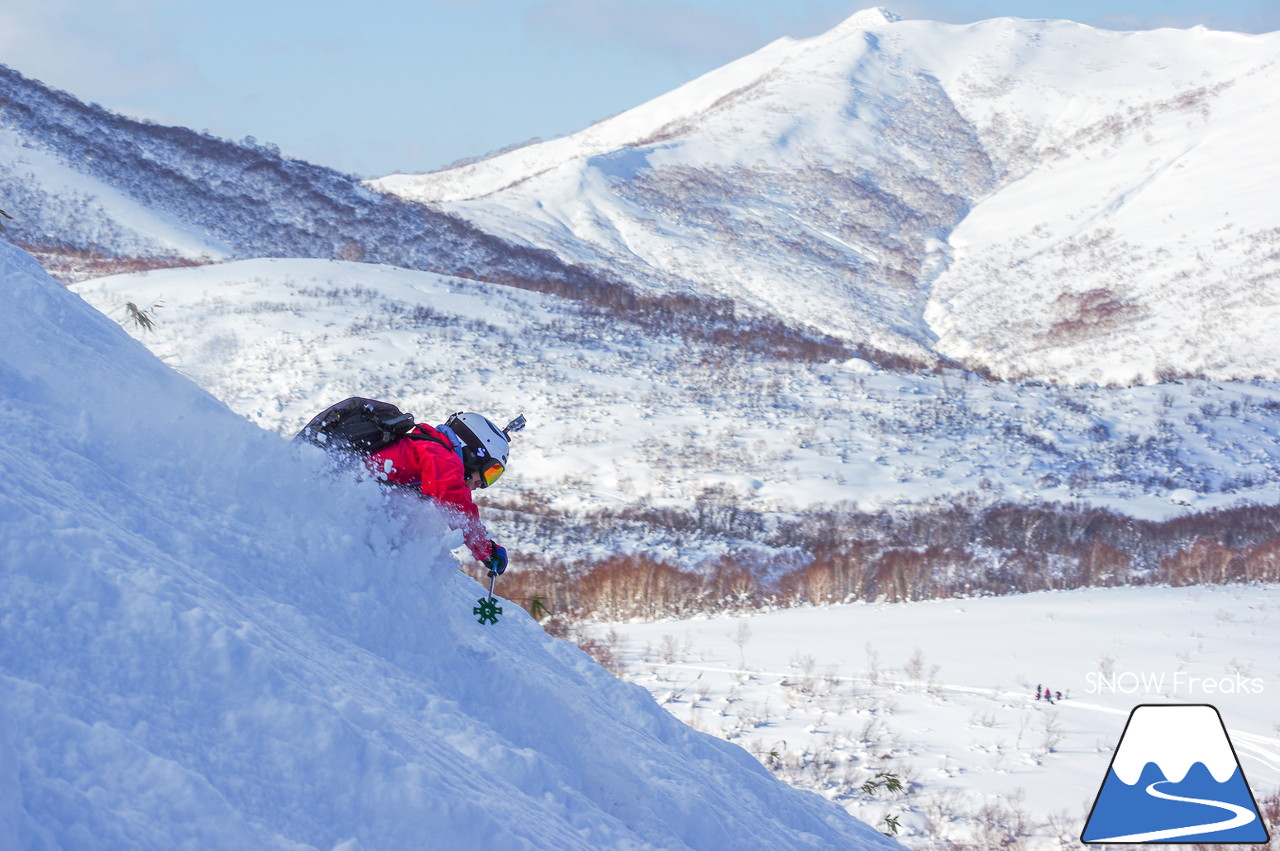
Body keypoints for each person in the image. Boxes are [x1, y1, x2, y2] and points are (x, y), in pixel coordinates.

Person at [365, 411, 521, 576]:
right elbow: (456, 503)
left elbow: (459, 496)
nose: (481, 484)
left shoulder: (436, 451)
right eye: (489, 471)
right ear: (474, 455)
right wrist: (486, 550)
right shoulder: (441, 456)